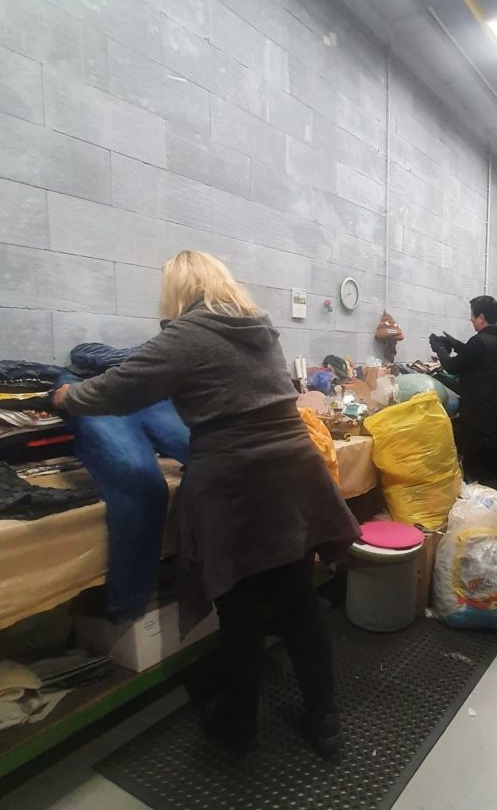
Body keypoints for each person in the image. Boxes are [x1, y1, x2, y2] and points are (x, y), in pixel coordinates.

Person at [53, 251, 360, 754]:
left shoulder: (186, 334)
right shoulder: (257, 329)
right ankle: (324, 723)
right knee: (298, 601)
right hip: (294, 475)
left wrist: (64, 397)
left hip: (237, 483)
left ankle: (238, 727)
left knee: (239, 610)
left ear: (178, 290)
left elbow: (117, 390)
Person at [429, 295, 497, 495]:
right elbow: (478, 354)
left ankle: (488, 520)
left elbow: (453, 367)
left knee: (486, 483)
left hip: (487, 429)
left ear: (481, 317)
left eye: (473, 316)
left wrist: (439, 348)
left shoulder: (480, 342)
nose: (471, 320)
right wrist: (455, 343)